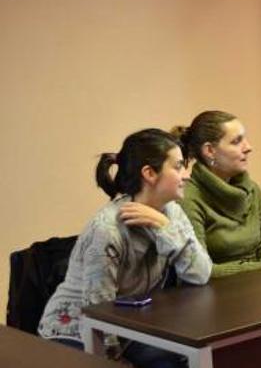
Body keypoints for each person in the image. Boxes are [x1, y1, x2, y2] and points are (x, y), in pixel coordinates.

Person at [38, 129, 211, 367]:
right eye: (178, 166)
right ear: (150, 173)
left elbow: (201, 274)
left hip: (130, 326)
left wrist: (164, 227)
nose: (186, 175)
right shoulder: (107, 229)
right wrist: (114, 357)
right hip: (73, 330)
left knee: (187, 358)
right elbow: (97, 310)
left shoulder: (172, 212)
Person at [177, 111, 261, 278]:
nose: (248, 147)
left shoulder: (252, 189)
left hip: (258, 284)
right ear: (210, 151)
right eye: (237, 142)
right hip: (213, 296)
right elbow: (202, 271)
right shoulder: (189, 197)